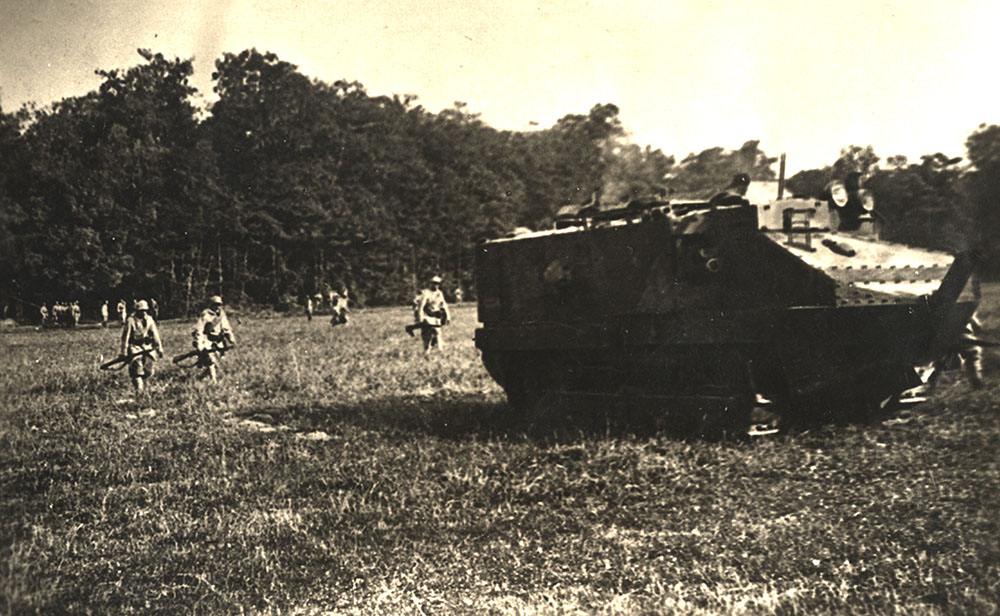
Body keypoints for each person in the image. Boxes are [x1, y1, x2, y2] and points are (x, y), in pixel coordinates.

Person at [119, 300, 163, 392]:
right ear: (136, 311)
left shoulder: (149, 319)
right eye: (141, 311)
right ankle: (139, 391)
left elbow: (155, 334)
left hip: (147, 347)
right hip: (135, 347)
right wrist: (124, 352)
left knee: (149, 371)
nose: (143, 312)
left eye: (145, 310)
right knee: (137, 370)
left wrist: (159, 348)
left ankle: (144, 388)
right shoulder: (130, 320)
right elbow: (125, 337)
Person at [191, 295, 235, 383]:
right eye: (215, 304)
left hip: (218, 341)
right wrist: (199, 344)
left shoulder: (221, 315)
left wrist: (231, 339)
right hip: (206, 340)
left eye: (219, 304)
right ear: (211, 305)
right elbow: (199, 329)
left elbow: (226, 328)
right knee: (210, 361)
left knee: (217, 364)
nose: (217, 307)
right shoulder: (205, 314)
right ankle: (214, 382)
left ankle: (200, 378)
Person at [407, 275, 450, 354]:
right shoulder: (426, 293)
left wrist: (448, 316)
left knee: (437, 331)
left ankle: (438, 349)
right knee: (429, 334)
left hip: (435, 315)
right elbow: (421, 306)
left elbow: (444, 304)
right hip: (426, 315)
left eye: (437, 283)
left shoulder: (439, 293)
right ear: (431, 284)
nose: (436, 285)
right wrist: (420, 318)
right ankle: (428, 350)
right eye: (434, 283)